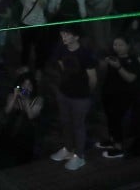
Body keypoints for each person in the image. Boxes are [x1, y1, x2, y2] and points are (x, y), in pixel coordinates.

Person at [49, 26, 97, 171]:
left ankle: (80, 156)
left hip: (80, 97)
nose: (64, 37)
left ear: (76, 37)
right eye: (62, 33)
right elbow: (61, 65)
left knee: (78, 125)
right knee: (65, 122)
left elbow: (92, 78)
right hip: (64, 93)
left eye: (67, 34)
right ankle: (68, 148)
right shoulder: (61, 49)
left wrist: (87, 93)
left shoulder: (85, 54)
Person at [96, 37, 138, 159]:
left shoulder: (132, 60)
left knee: (117, 120)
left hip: (123, 96)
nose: (117, 47)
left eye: (121, 44)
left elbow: (131, 78)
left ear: (128, 46)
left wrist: (118, 67)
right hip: (108, 93)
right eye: (115, 44)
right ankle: (112, 140)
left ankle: (119, 147)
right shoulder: (112, 57)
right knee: (110, 118)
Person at [0, 72, 43, 170]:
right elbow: (7, 110)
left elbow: (31, 116)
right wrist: (15, 96)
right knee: (4, 157)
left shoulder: (38, 100)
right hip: (10, 130)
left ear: (33, 86)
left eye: (29, 84)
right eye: (24, 84)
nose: (26, 87)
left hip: (26, 133)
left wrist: (26, 100)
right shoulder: (12, 95)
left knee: (21, 160)